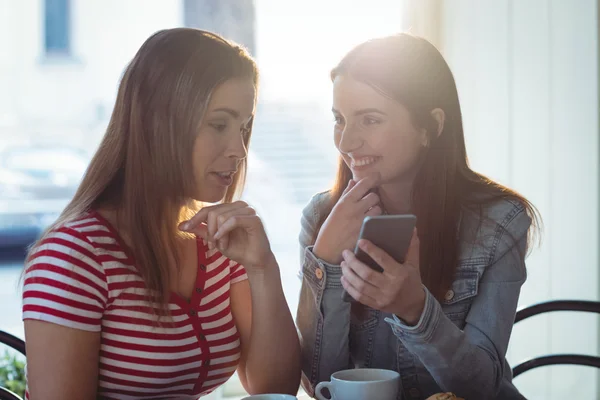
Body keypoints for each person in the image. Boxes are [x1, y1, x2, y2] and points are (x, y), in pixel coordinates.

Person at [22, 28, 300, 400]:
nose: (239, 150)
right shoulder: (73, 257)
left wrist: (263, 268)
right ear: (158, 122)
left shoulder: (220, 242)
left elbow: (274, 390)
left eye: (244, 127)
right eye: (219, 124)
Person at [296, 33, 539, 400]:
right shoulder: (321, 218)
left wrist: (415, 310)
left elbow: (482, 387)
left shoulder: (498, 222)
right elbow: (320, 385)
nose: (346, 143)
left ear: (431, 127)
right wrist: (327, 264)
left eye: (370, 120)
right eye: (340, 120)